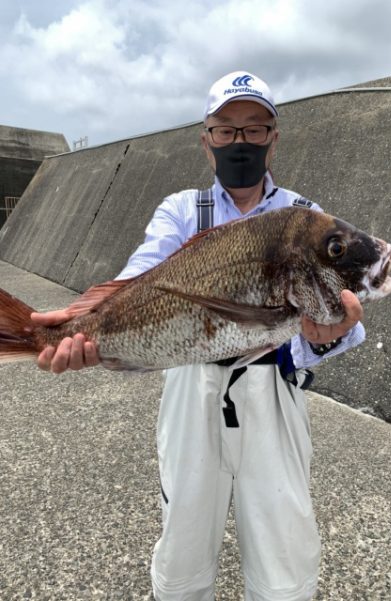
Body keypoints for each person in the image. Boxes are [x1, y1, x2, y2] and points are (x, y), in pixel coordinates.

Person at [32, 71, 365, 601]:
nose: (241, 142)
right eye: (226, 130)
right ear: (206, 140)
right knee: (183, 545)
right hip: (191, 386)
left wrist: (323, 336)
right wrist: (80, 320)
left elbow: (334, 326)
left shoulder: (304, 215)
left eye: (255, 130)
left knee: (286, 556)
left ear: (274, 138)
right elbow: (142, 275)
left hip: (274, 391)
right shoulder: (181, 211)